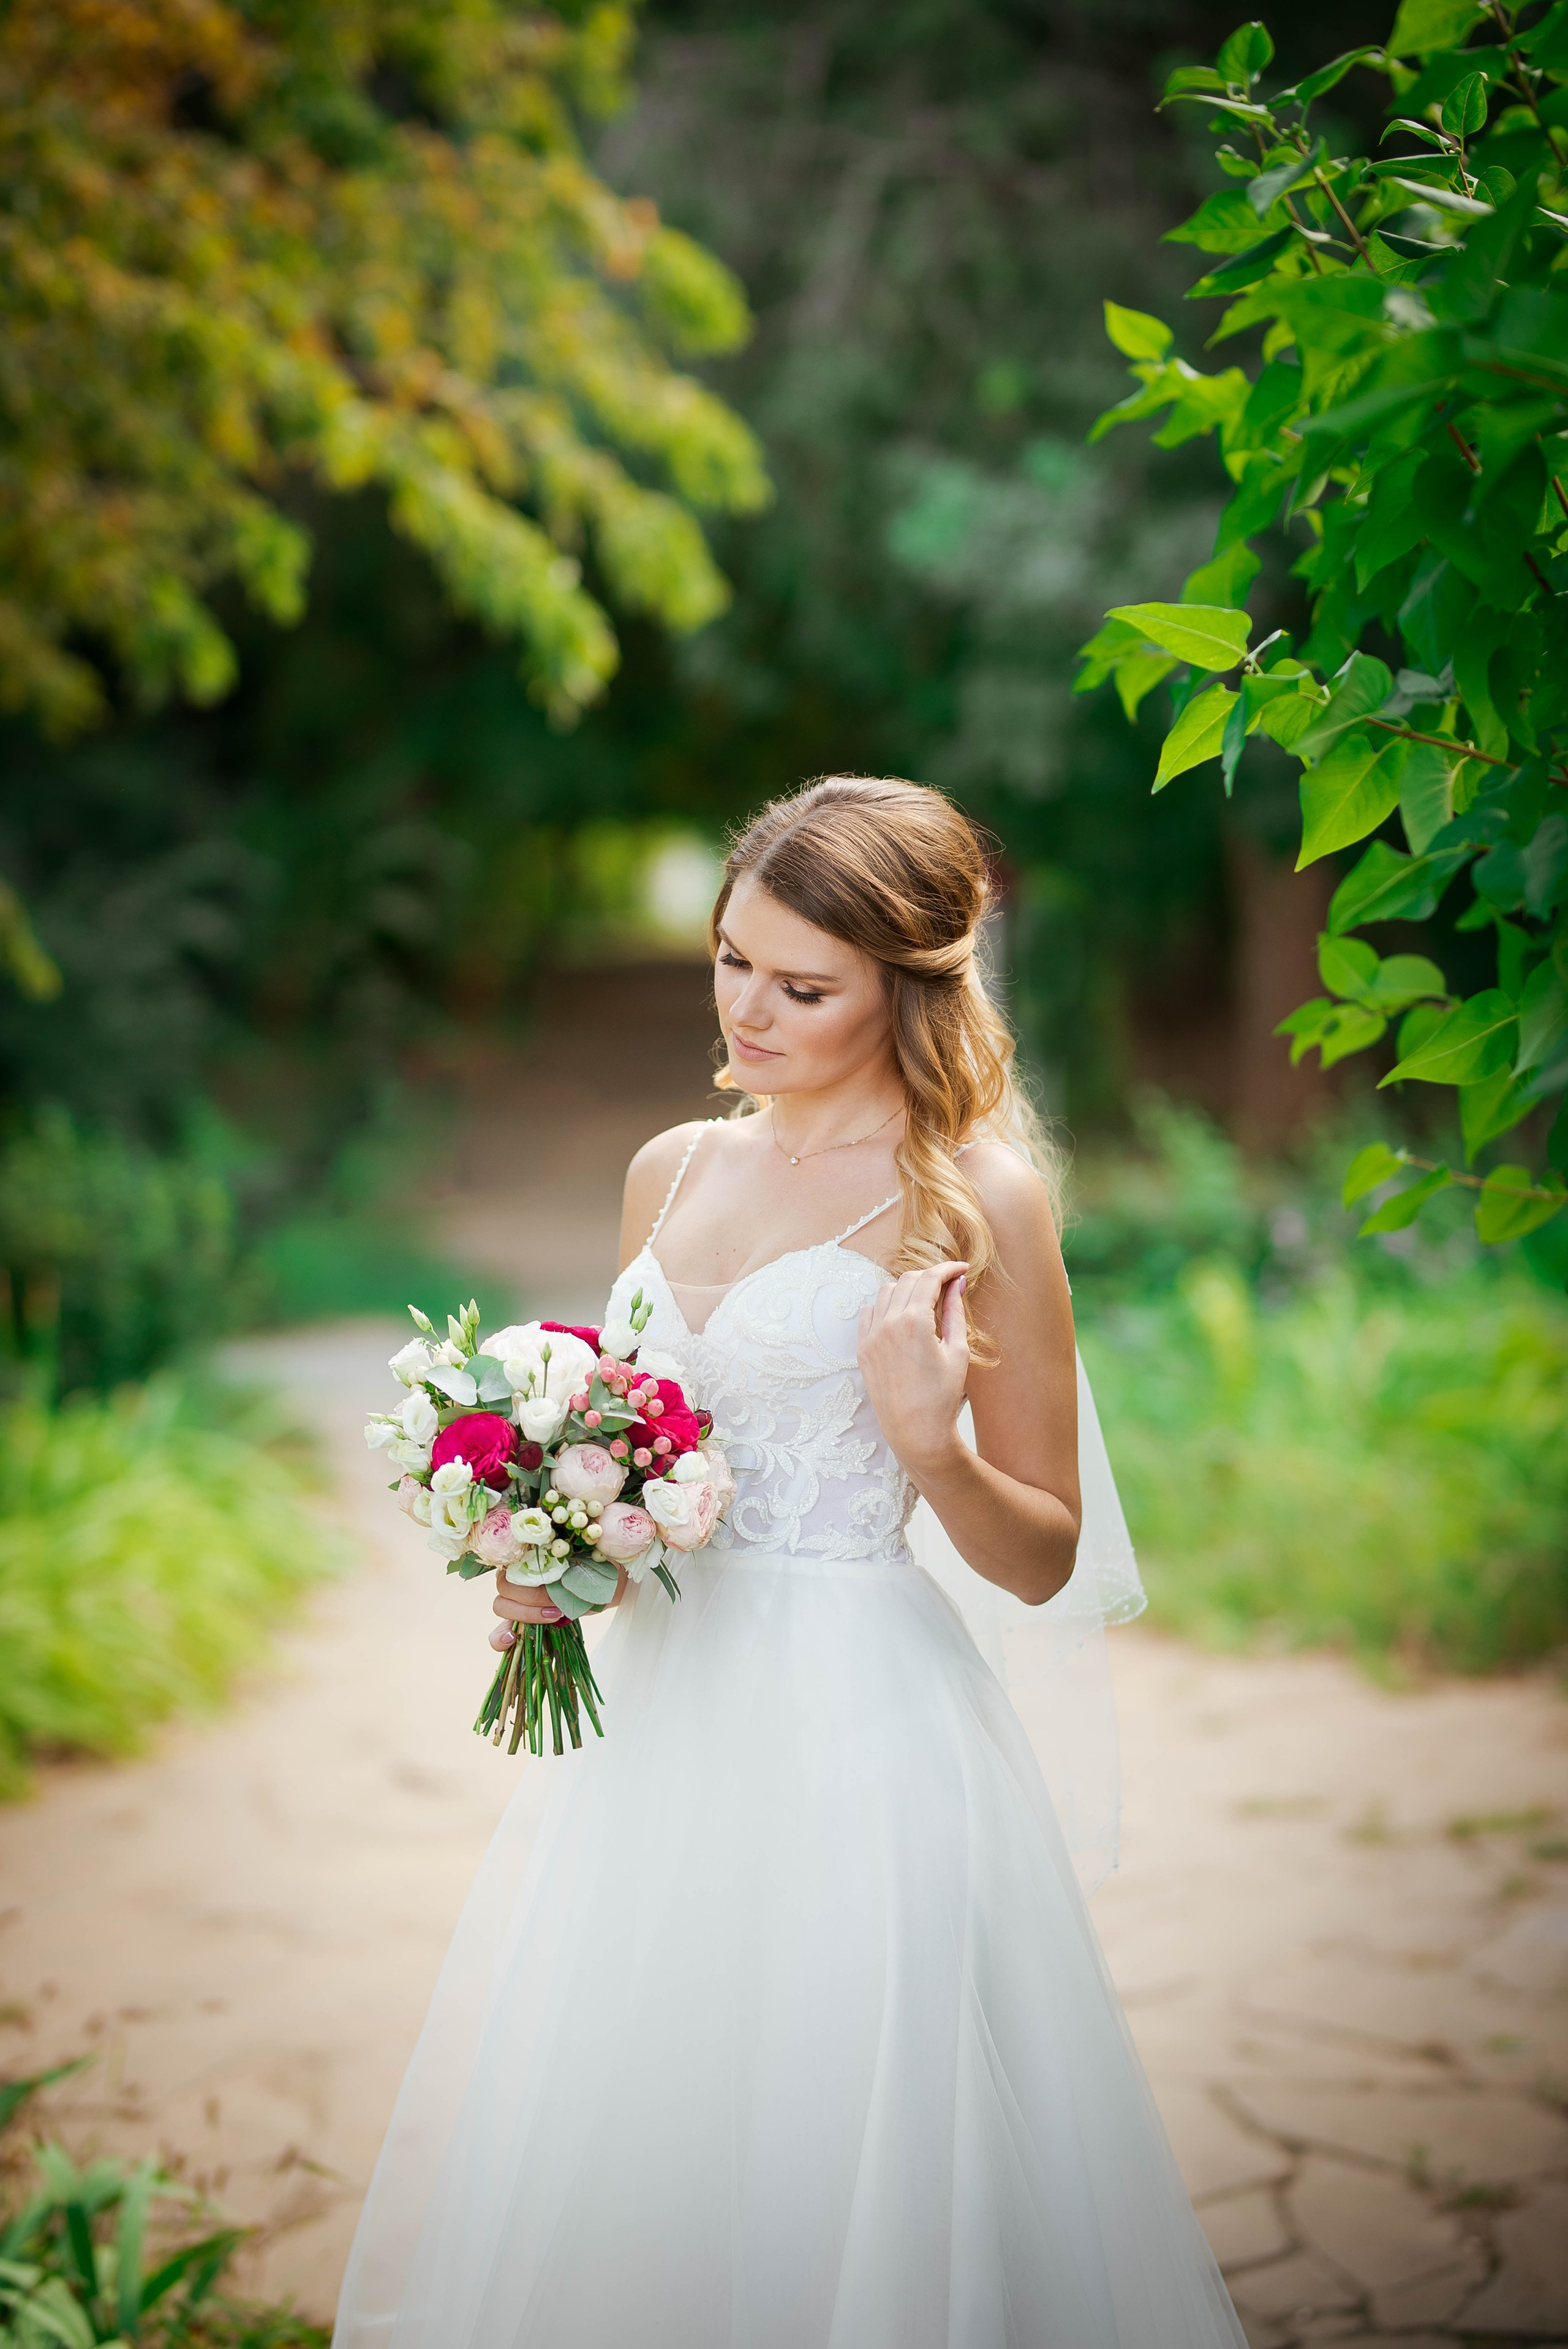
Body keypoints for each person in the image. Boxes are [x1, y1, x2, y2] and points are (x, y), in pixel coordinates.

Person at [333, 777, 1246, 2348]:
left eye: (801, 986)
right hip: (661, 1732)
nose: (748, 1010)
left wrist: (934, 1448)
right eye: (729, 959)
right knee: (651, 2116)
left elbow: (1043, 1558)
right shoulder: (668, 1170)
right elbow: (651, 1461)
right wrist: (556, 1552)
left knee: (849, 2138)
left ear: (905, 986)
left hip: (861, 1736)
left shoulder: (975, 1203)